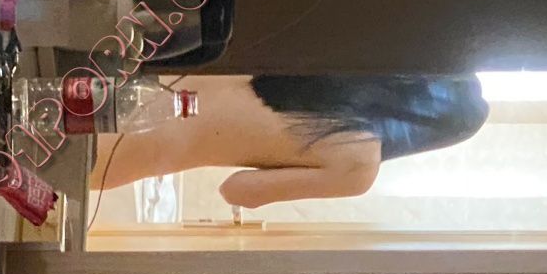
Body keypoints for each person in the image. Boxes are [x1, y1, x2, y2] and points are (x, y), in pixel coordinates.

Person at [89, 74, 489, 209]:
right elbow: (237, 190)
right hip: (138, 147)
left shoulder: (339, 58)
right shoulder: (359, 165)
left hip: (139, 72)